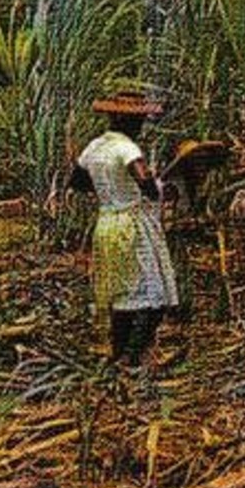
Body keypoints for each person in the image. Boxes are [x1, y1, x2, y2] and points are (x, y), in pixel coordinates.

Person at [70, 90, 179, 368]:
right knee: (154, 296)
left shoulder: (94, 147)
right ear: (128, 121)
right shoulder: (128, 148)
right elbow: (147, 187)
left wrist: (109, 192)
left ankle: (118, 353)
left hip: (106, 223)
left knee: (121, 294)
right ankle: (132, 355)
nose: (141, 124)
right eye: (139, 119)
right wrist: (158, 186)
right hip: (133, 225)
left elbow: (78, 183)